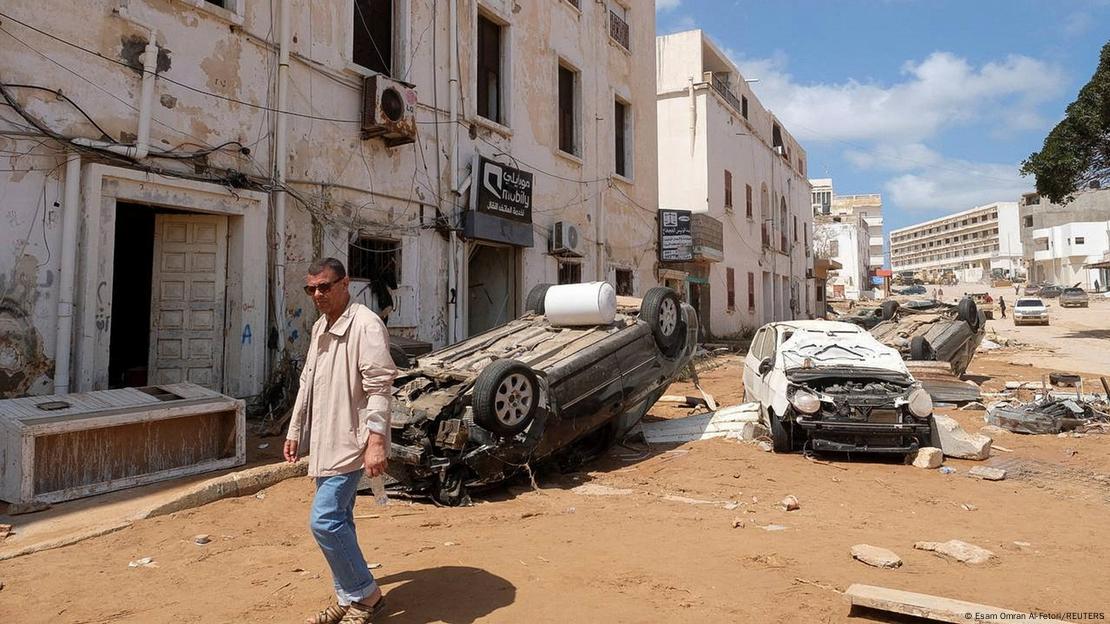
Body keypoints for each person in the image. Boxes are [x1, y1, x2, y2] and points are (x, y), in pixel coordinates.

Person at [285, 257, 397, 624]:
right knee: (341, 520)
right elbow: (307, 381)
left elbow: (380, 387)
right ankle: (348, 595)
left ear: (345, 284)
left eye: (325, 287)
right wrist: (295, 429)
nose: (317, 294)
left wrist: (377, 441)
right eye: (311, 288)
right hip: (324, 441)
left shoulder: (366, 325)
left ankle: (366, 595)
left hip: (353, 441)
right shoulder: (321, 327)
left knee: (325, 521)